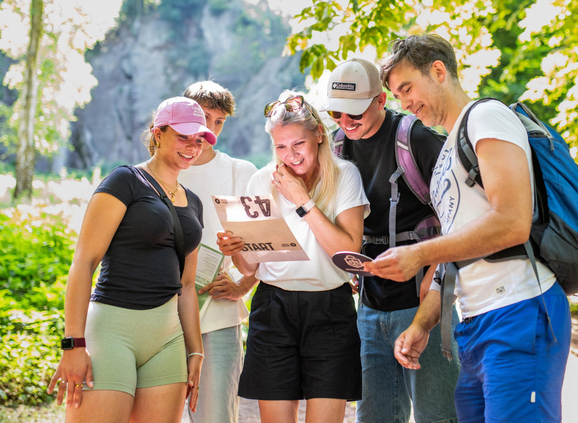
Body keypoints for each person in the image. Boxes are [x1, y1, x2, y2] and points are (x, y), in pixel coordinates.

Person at [365, 34, 572, 423]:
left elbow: (512, 222)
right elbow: (455, 256)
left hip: (518, 310)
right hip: (474, 326)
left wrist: (419, 253)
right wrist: (421, 325)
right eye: (396, 95)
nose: (404, 102)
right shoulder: (446, 154)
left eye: (407, 88)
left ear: (439, 71)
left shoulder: (486, 116)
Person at [47, 96, 216, 423]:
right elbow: (83, 262)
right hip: (112, 331)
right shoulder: (125, 181)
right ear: (158, 133)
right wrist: (73, 344)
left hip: (167, 340)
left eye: (199, 140)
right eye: (183, 137)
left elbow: (187, 286)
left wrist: (195, 350)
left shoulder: (193, 203)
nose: (192, 146)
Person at [320, 58, 459, 423]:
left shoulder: (416, 138)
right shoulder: (336, 146)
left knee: (437, 415)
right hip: (369, 304)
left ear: (381, 101)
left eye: (355, 115)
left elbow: (462, 216)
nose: (346, 124)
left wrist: (438, 273)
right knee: (374, 416)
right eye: (336, 114)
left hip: (422, 302)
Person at [217, 90, 368, 423]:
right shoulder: (261, 180)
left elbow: (348, 253)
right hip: (273, 308)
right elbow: (250, 266)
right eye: (281, 147)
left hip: (330, 309)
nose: (290, 156)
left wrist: (302, 200)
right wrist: (238, 251)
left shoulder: (345, 176)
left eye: (297, 144)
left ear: (318, 135)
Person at [177, 81, 259, 423]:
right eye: (203, 117)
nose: (210, 129)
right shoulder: (159, 171)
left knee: (215, 416)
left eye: (219, 121)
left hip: (219, 316)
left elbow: (262, 246)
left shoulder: (240, 173)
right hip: (160, 315)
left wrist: (244, 284)